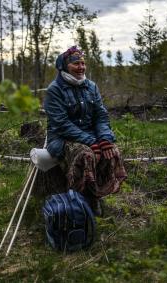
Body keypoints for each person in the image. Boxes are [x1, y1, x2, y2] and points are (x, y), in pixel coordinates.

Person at [43, 46, 127, 216]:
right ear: (64, 67)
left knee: (112, 151)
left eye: (83, 63)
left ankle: (94, 197)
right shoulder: (55, 90)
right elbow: (61, 124)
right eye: (76, 64)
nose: (81, 67)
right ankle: (78, 201)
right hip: (62, 138)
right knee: (85, 155)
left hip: (91, 136)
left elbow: (101, 116)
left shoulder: (91, 86)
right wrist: (90, 142)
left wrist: (104, 139)